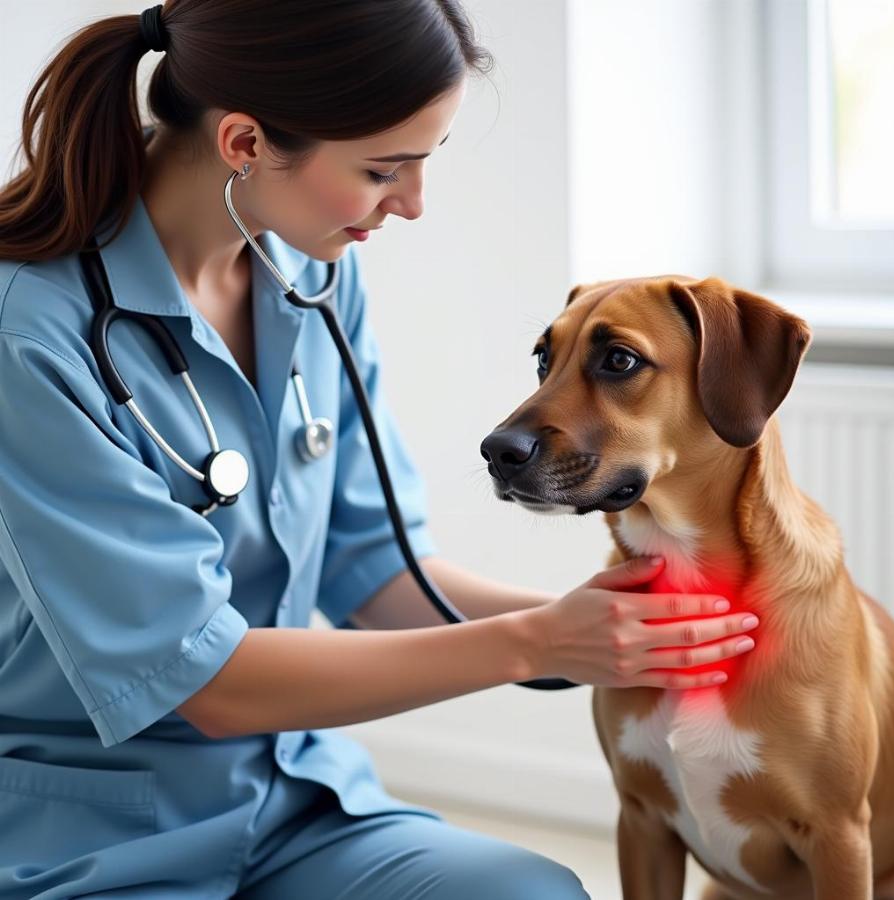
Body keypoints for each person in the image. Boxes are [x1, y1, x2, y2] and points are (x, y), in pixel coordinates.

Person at [0, 2, 759, 897]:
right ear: (244, 143)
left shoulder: (311, 276)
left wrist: (628, 630)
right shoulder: (30, 335)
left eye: (422, 164)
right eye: (382, 169)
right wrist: (542, 643)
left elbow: (375, 571)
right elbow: (200, 679)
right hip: (93, 832)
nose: (411, 204)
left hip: (294, 804)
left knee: (533, 893)